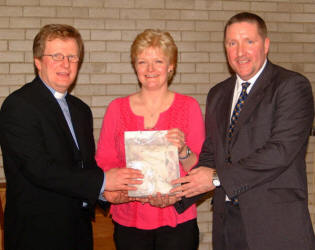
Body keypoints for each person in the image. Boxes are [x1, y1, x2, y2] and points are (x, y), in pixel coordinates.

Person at [171, 12, 315, 250]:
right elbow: (211, 155)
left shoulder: (291, 86)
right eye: (232, 43)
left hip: (275, 226)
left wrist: (217, 179)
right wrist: (176, 192)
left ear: (266, 45)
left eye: (249, 41)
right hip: (227, 224)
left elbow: (280, 152)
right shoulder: (218, 94)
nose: (240, 52)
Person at [0, 24, 143, 250]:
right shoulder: (19, 105)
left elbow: (84, 167)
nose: (65, 64)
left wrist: (104, 193)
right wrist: (104, 181)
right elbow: (40, 170)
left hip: (79, 233)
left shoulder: (81, 110)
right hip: (37, 236)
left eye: (72, 57)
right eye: (56, 56)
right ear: (38, 61)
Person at [95, 29, 205, 250]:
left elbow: (200, 168)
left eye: (158, 61)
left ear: (171, 66)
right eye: (143, 61)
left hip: (177, 221)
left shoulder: (189, 107)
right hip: (129, 220)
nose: (150, 69)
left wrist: (183, 151)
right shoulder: (117, 109)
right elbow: (104, 163)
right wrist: (119, 192)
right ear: (135, 66)